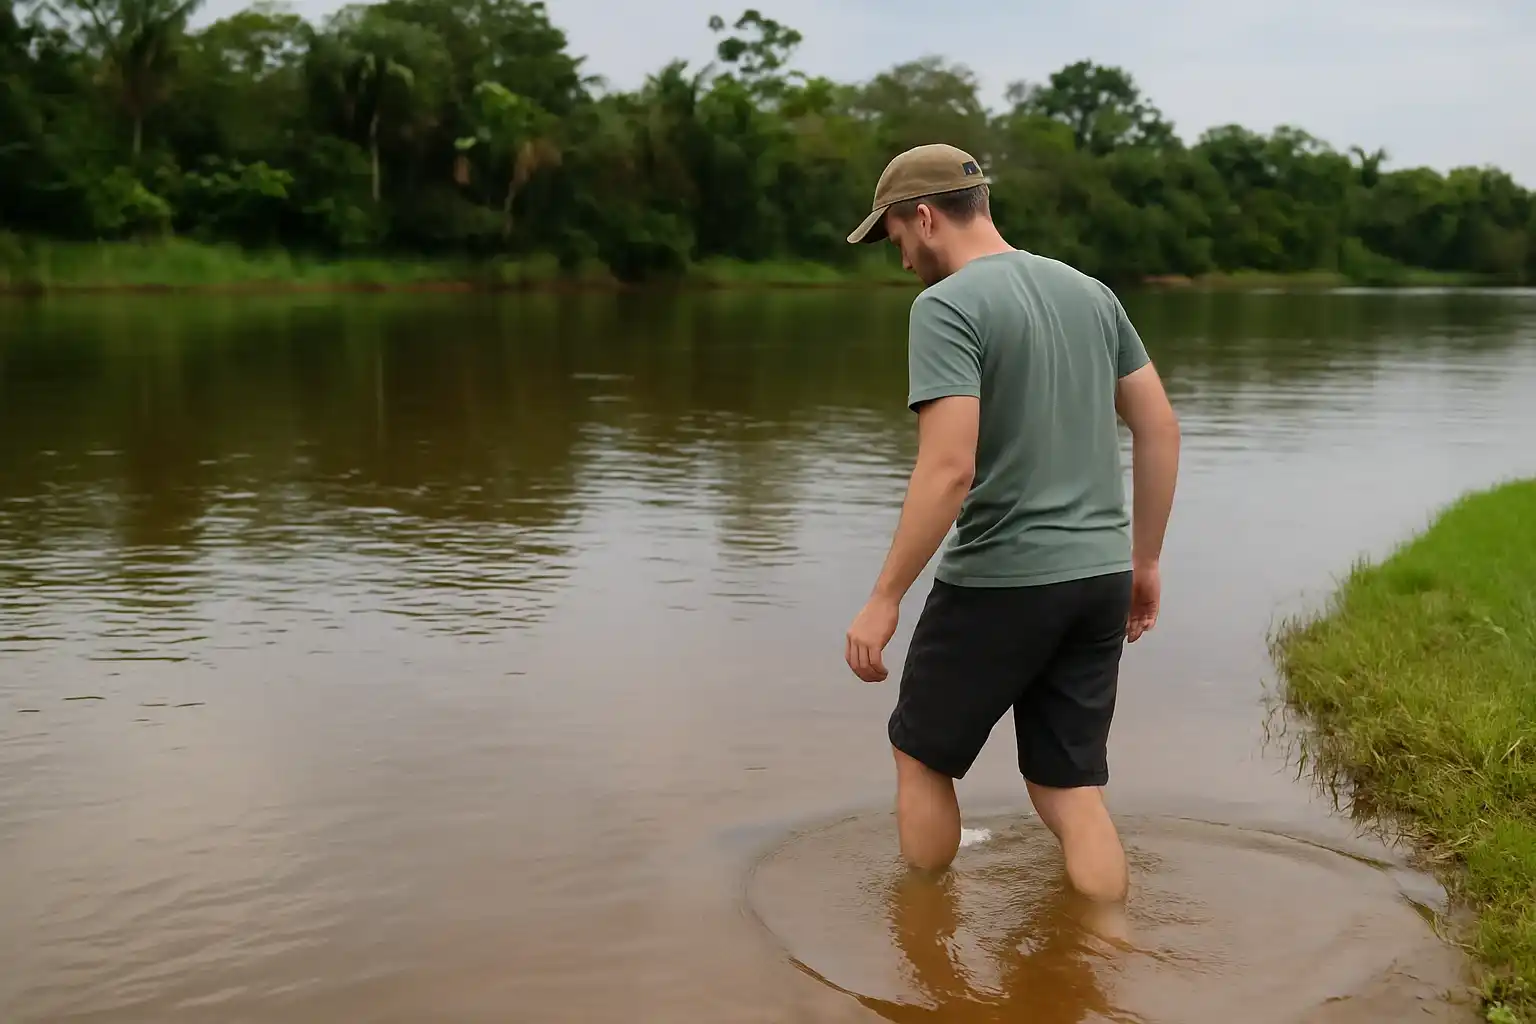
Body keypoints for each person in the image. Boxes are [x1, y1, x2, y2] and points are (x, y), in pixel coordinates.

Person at [842, 143, 1181, 905]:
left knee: (921, 757)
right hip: (1099, 579)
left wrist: (884, 598)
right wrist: (1145, 562)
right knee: (1069, 786)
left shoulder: (946, 306)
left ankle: (922, 937)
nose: (902, 259)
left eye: (896, 237)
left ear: (924, 216)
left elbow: (948, 468)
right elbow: (1159, 427)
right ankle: (1109, 944)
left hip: (1003, 577)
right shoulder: (1091, 294)